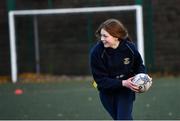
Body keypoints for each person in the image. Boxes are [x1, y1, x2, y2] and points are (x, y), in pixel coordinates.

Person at [89, 18, 147, 120]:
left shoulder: (130, 48)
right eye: (101, 35)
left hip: (126, 91)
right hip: (107, 93)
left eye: (105, 36)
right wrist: (123, 82)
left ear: (116, 36)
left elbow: (139, 65)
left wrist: (142, 78)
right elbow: (101, 81)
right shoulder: (96, 53)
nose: (102, 39)